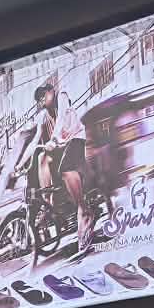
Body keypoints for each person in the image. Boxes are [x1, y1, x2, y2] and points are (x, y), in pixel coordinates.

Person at [33, 76, 97, 261]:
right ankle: (48, 205)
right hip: (61, 145)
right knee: (41, 157)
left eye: (43, 97)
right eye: (40, 101)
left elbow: (61, 119)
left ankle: (84, 210)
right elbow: (36, 138)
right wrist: (19, 165)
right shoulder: (43, 115)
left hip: (76, 138)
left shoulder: (61, 95)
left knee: (66, 169)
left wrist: (53, 140)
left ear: (50, 92)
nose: (42, 102)